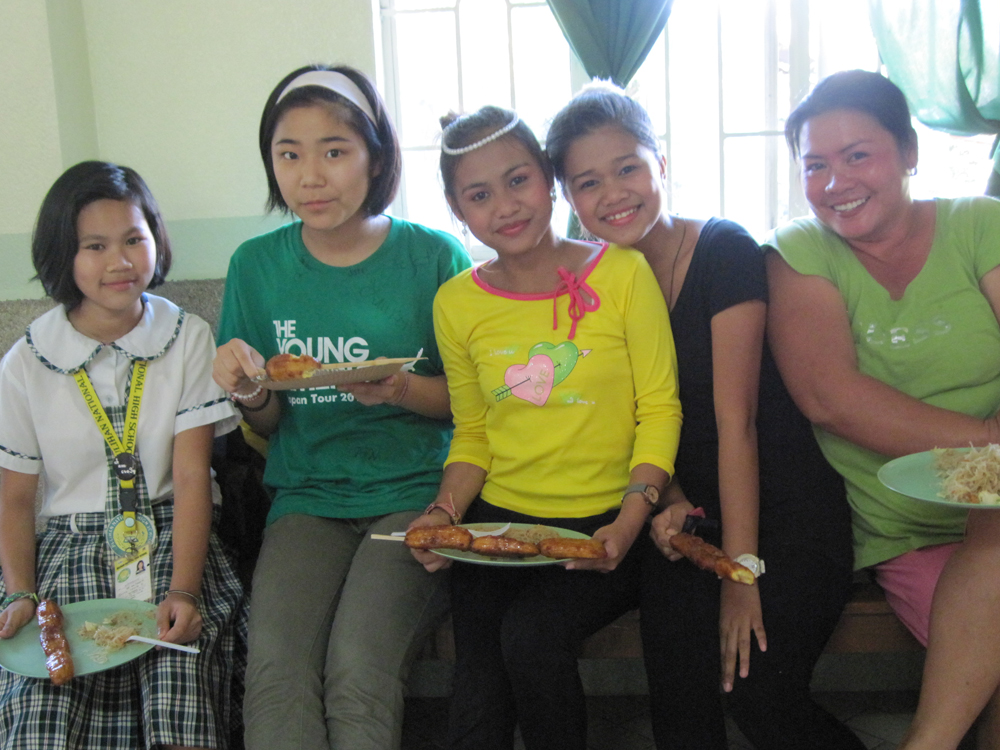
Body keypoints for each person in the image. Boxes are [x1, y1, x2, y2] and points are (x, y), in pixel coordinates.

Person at [546, 83, 863, 750]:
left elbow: (734, 419)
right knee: (678, 680)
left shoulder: (724, 250)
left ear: (660, 163)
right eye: (588, 183)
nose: (613, 194)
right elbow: (631, 418)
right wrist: (671, 503)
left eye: (628, 168)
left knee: (756, 688)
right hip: (689, 514)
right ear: (569, 198)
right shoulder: (590, 287)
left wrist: (742, 572)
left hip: (784, 510)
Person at [406, 104, 681, 750]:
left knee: (531, 640)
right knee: (478, 694)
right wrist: (444, 512)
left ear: (549, 180)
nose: (506, 206)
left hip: (605, 523)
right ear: (456, 208)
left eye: (518, 180)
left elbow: (659, 409)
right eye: (479, 195)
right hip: (498, 525)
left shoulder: (622, 273)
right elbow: (472, 432)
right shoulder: (457, 302)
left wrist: (629, 521)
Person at [212, 64, 470, 750]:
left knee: (357, 673)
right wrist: (249, 391)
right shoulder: (256, 266)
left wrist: (399, 388)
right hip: (307, 499)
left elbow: (470, 410)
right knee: (275, 677)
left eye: (334, 151)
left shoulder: (434, 257)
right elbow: (269, 421)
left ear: (375, 157)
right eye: (288, 155)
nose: (310, 177)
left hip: (413, 498)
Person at [764, 69, 1000, 750]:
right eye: (815, 165)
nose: (835, 181)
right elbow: (830, 398)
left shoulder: (979, 225)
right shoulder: (801, 251)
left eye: (857, 155)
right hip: (913, 525)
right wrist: (990, 443)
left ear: (909, 152)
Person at [0, 160, 247, 749]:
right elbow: (14, 497)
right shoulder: (27, 361)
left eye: (134, 239)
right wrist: (20, 592)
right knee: (42, 713)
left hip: (170, 542)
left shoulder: (186, 336)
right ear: (63, 254)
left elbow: (192, 476)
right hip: (69, 553)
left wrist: (184, 591)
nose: (120, 261)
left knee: (177, 696)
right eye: (95, 246)